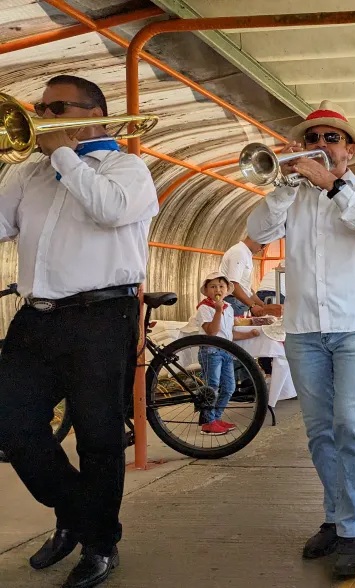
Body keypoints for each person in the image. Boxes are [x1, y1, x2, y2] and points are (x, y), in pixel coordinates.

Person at [0, 75, 159, 588]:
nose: (42, 116)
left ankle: (99, 545)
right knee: (12, 425)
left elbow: (110, 210)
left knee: (98, 437)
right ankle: (77, 513)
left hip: (100, 317)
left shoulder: (127, 168)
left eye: (56, 107)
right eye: (39, 107)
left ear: (97, 114)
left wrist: (66, 158)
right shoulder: (29, 173)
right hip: (36, 315)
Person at [247, 100, 355, 580]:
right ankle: (334, 517)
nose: (320, 146)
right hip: (304, 328)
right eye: (312, 139)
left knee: (351, 423)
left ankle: (352, 530)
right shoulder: (293, 194)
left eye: (331, 139)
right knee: (319, 432)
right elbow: (256, 233)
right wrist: (284, 185)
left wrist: (333, 186)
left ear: (350, 150)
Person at [192, 272, 261, 435]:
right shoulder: (204, 308)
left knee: (229, 387)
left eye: (221, 286)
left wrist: (249, 335)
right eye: (213, 286)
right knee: (212, 386)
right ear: (207, 290)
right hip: (211, 352)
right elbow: (212, 332)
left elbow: (229, 333)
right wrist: (217, 311)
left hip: (226, 352)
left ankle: (216, 417)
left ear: (226, 290)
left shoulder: (228, 308)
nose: (218, 289)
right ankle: (208, 423)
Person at [219, 237, 266, 316]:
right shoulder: (239, 253)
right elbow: (233, 284)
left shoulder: (245, 253)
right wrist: (253, 305)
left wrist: (262, 306)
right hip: (234, 302)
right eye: (263, 245)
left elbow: (246, 288)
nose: (262, 249)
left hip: (240, 302)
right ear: (255, 239)